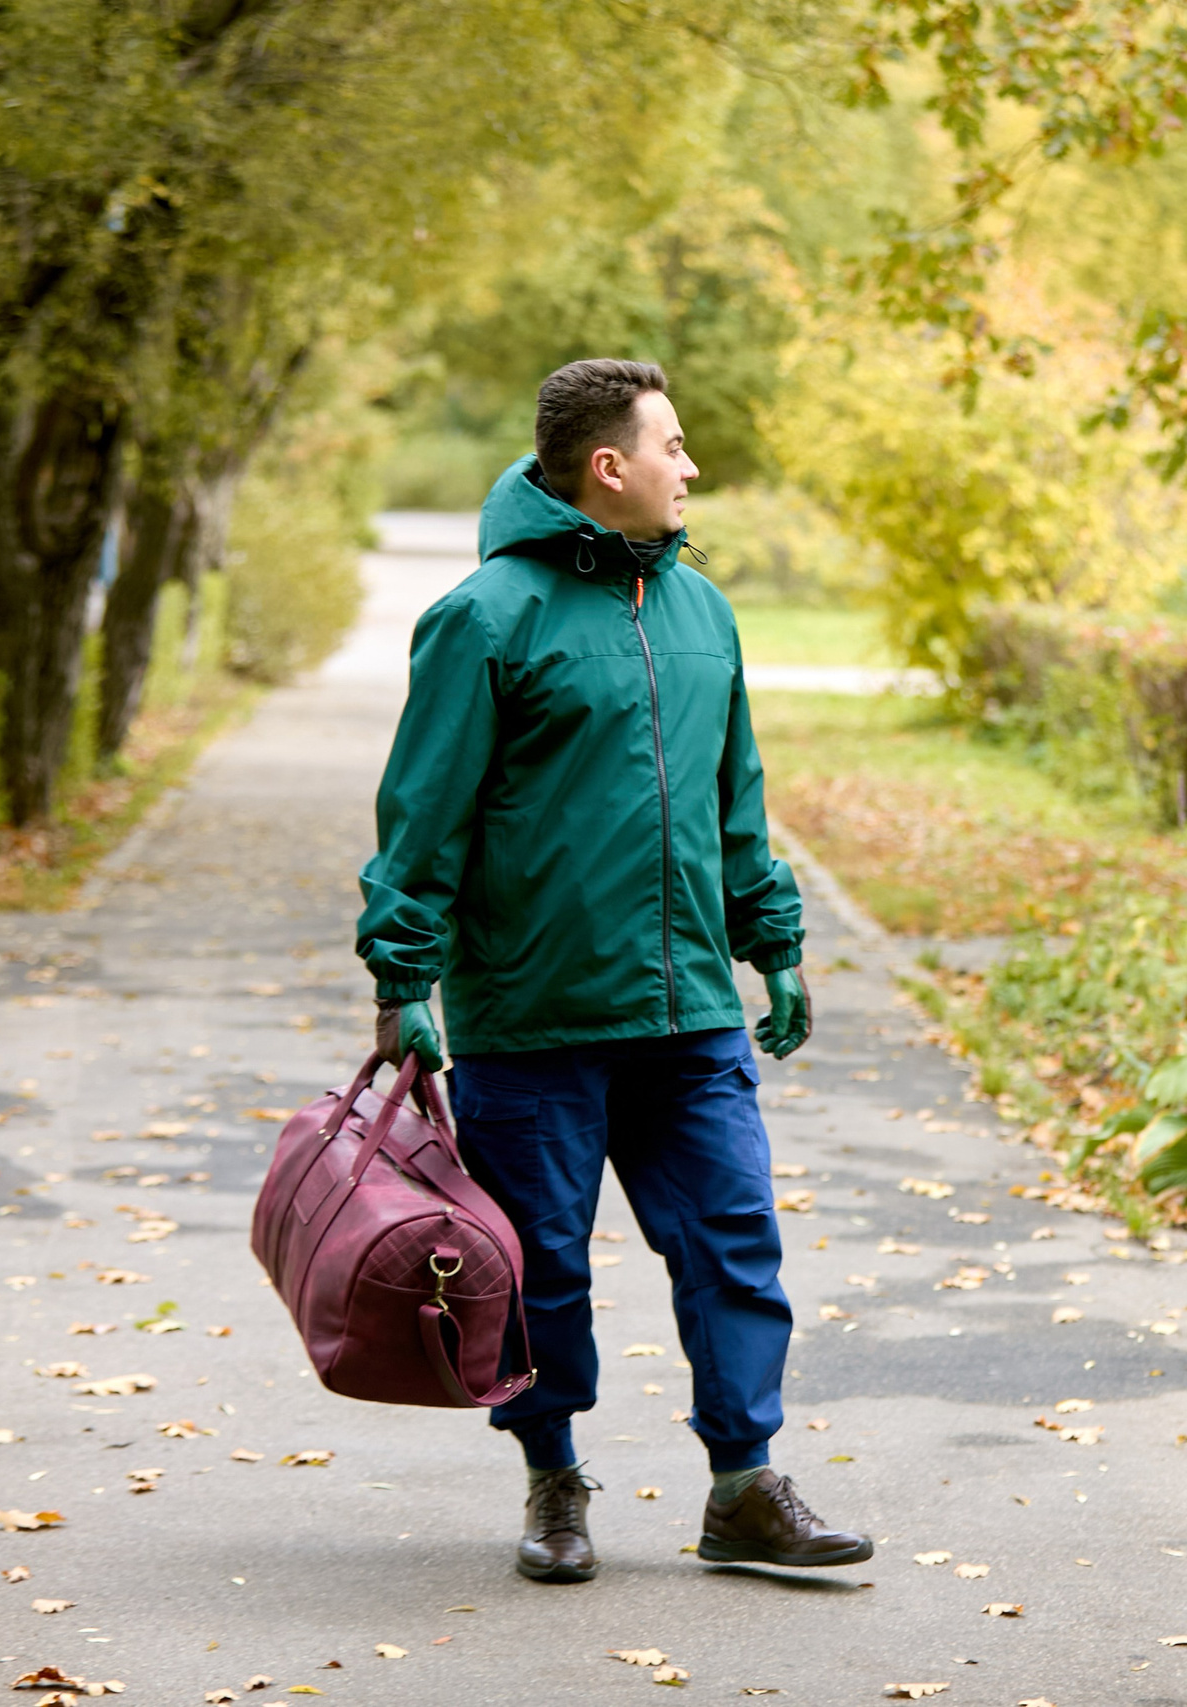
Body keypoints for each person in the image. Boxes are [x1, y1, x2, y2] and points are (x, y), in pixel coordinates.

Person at [354, 357, 870, 1583]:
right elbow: (423, 820)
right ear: (609, 467)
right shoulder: (486, 617)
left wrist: (775, 942)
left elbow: (733, 798)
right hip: (533, 1018)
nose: (691, 469)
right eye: (675, 447)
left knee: (735, 1241)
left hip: (688, 1007)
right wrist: (402, 982)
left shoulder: (703, 612)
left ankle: (743, 1487)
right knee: (540, 1267)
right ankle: (551, 1481)